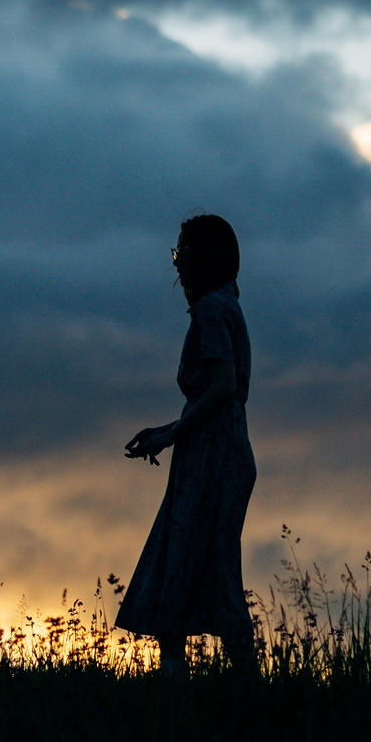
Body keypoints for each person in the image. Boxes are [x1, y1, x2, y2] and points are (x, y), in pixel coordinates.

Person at [116, 213, 259, 679]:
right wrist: (166, 431)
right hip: (213, 449)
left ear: (204, 259)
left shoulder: (213, 310)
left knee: (195, 565)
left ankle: (234, 689)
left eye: (183, 254)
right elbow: (215, 395)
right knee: (193, 562)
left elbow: (221, 387)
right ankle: (213, 686)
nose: (177, 265)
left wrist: (172, 434)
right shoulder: (224, 306)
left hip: (212, 455)